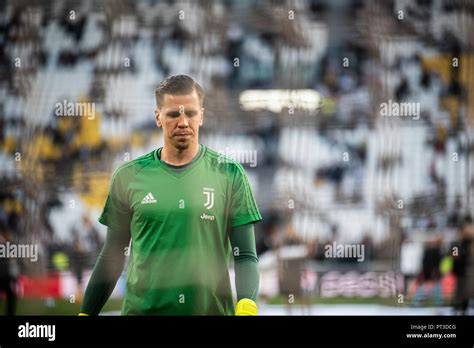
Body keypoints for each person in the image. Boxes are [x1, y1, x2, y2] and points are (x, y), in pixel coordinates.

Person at [80, 75, 261, 315]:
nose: (183, 122)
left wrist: (247, 303)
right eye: (174, 114)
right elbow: (112, 256)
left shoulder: (229, 174)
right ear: (158, 118)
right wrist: (86, 312)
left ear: (202, 116)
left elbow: (246, 255)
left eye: (191, 114)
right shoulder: (129, 176)